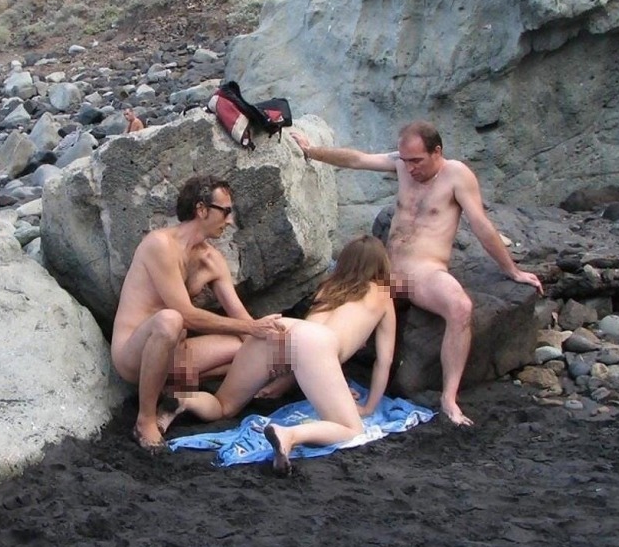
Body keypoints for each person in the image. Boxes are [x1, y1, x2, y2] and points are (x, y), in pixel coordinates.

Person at [291, 120, 544, 426]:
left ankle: (449, 398)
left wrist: (511, 270)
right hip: (384, 270)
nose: (409, 168)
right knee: (326, 300)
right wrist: (311, 151)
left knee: (461, 307)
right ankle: (308, 377)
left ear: (437, 151)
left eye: (417, 161)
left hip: (424, 271)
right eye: (405, 160)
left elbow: (481, 225)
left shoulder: (456, 175)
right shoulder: (401, 164)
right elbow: (357, 159)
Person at [161, 235, 396, 476]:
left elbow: (301, 345)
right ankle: (289, 434)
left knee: (224, 406)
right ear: (380, 265)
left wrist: (282, 382)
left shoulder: (328, 286)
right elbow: (384, 359)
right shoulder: (383, 294)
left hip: (279, 328)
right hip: (314, 342)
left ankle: (184, 399)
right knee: (351, 429)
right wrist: (369, 406)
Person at [112, 175, 285, 452]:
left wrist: (276, 353)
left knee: (251, 348)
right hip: (134, 355)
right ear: (202, 210)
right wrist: (251, 329)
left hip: (176, 356)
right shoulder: (160, 245)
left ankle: (178, 397)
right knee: (171, 319)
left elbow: (243, 320)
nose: (229, 221)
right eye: (225, 211)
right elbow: (185, 314)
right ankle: (145, 420)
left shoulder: (211, 260)